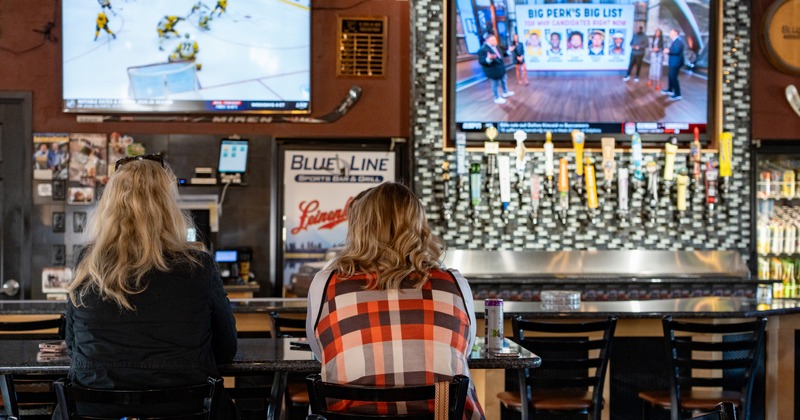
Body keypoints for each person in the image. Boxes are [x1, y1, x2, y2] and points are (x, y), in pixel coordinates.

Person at [66, 154, 239, 418]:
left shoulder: (88, 263)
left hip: (96, 411)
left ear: (109, 205)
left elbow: (73, 345)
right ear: (168, 206)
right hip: (186, 410)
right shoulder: (199, 266)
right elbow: (226, 350)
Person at [306, 182, 485, 420]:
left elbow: (322, 352)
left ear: (360, 227)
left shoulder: (326, 283)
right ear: (420, 225)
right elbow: (464, 349)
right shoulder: (454, 283)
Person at [477, 35, 514, 104]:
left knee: (504, 81)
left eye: (495, 39)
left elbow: (502, 55)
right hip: (493, 71)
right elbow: (481, 61)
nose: (495, 41)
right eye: (492, 40)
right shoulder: (482, 50)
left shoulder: (497, 47)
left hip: (501, 69)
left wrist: (509, 51)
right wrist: (489, 59)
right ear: (487, 41)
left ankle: (505, 92)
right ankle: (497, 98)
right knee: (495, 85)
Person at [662, 28, 685, 101]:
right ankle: (670, 90)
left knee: (673, 77)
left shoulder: (678, 41)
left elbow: (677, 51)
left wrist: (668, 51)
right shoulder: (675, 40)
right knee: (670, 76)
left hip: (676, 62)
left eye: (671, 32)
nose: (670, 34)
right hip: (673, 62)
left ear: (675, 33)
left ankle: (678, 94)